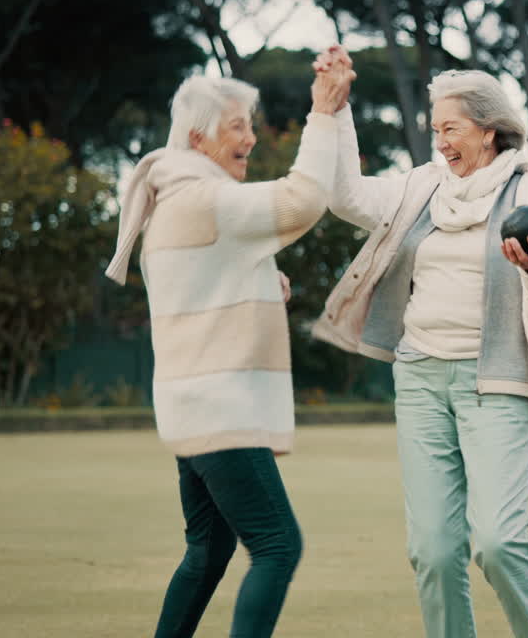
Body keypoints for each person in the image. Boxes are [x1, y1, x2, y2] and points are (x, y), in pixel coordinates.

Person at [306, 51, 528, 638]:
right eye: (435, 130)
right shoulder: (421, 187)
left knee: (500, 541)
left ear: (488, 130)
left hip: (498, 384)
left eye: (451, 129)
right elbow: (345, 197)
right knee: (433, 550)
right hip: (419, 377)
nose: (439, 142)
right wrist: (335, 113)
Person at [104, 55, 355, 638]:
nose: (250, 138)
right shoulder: (202, 199)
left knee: (209, 551)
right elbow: (300, 201)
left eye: (249, 125)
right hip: (221, 409)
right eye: (237, 126)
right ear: (198, 138)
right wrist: (323, 112)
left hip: (191, 406)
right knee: (277, 545)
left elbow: (204, 285)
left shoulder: (176, 200)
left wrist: (262, 281)